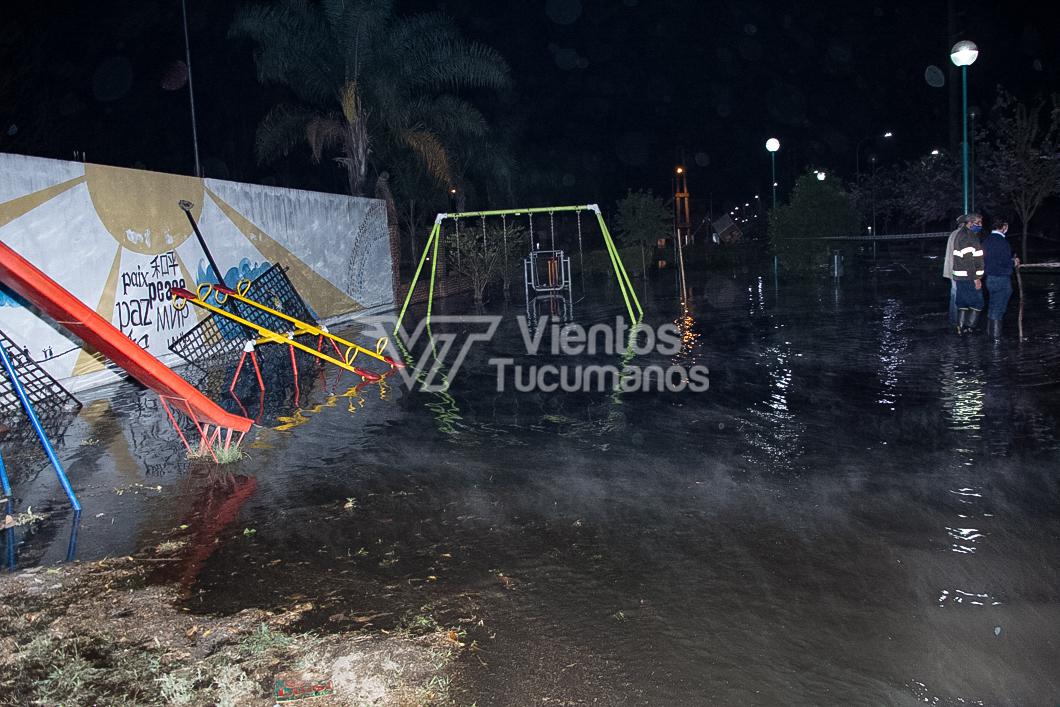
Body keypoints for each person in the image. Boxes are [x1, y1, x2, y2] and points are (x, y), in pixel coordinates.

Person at [982, 219, 1019, 339]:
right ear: (1004, 226)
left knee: (993, 306)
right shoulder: (1003, 242)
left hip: (990, 279)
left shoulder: (986, 241)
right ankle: (996, 339)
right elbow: (1003, 262)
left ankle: (990, 333)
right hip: (1001, 279)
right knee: (999, 309)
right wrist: (1013, 262)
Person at [950, 213, 985, 334]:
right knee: (978, 303)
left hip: (961, 277)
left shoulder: (962, 234)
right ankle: (970, 328)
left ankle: (960, 328)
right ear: (970, 223)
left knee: (962, 302)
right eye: (978, 222)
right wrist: (976, 279)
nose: (980, 225)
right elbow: (969, 260)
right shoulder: (968, 237)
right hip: (969, 277)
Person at [942, 215, 968, 325]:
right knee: (959, 296)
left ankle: (954, 319)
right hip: (959, 271)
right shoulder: (962, 235)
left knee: (954, 294)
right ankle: (958, 321)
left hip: (953, 270)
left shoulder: (954, 233)